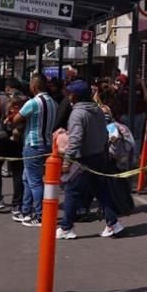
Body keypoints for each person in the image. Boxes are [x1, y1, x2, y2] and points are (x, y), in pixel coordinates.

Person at [56, 80, 125, 240]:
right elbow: (105, 133)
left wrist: (67, 161)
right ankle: (113, 223)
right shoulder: (98, 110)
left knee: (71, 191)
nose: (68, 96)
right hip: (98, 156)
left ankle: (66, 227)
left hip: (83, 159)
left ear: (75, 95)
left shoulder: (78, 113)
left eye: (70, 93)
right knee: (100, 191)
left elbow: (76, 139)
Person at [12, 73, 58, 227]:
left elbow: (16, 119)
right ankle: (26, 210)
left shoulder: (32, 103)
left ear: (34, 86)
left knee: (35, 182)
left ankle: (40, 215)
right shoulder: (53, 102)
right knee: (28, 178)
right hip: (47, 144)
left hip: (33, 144)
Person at [0, 78, 26, 215]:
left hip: (1, 137)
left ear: (8, 88)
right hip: (18, 138)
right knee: (18, 171)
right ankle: (17, 204)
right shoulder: (26, 100)